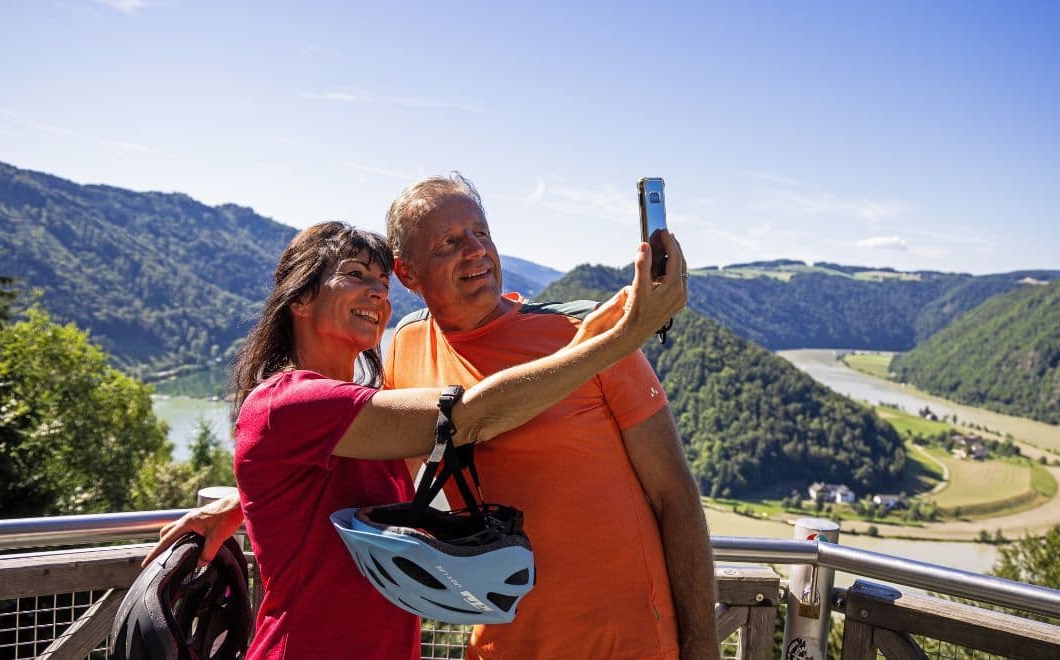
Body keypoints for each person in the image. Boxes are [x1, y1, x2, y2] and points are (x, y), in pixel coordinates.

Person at [142, 219, 686, 660]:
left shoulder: (352, 407)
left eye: (382, 285)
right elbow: (466, 416)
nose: (376, 296)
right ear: (300, 300)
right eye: (355, 275)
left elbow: (320, 484)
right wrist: (621, 337)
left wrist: (243, 504)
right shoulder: (289, 402)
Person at [383, 174, 717, 660]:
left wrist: (702, 646)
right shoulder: (408, 346)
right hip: (497, 646)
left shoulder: (590, 334)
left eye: (482, 233)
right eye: (449, 242)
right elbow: (393, 478)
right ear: (407, 274)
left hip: (626, 646)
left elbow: (676, 495)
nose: (476, 250)